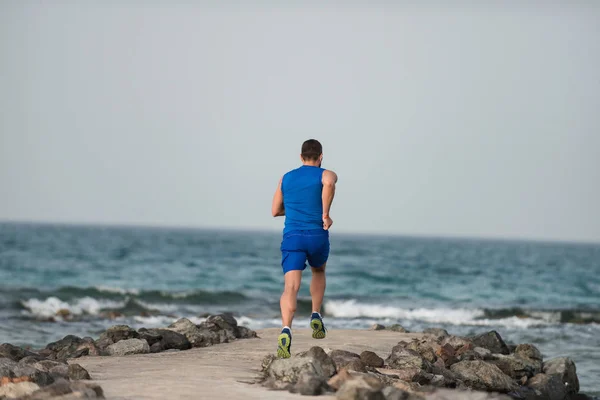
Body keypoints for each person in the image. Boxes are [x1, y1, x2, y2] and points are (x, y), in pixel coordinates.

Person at [271, 139, 338, 358]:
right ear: (321, 156)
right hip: (317, 234)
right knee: (318, 270)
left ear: (301, 157)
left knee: (291, 287)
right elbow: (329, 183)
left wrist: (292, 211)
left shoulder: (286, 178)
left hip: (293, 237)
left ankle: (286, 329)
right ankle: (316, 313)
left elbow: (274, 211)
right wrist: (325, 213)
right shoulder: (325, 173)